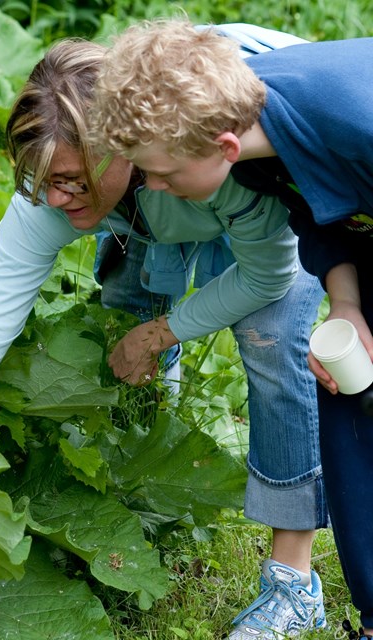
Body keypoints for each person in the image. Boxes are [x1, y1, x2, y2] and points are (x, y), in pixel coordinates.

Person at [0, 29, 328, 639]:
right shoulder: (53, 183)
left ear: (120, 144)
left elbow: (267, 276)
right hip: (152, 190)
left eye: (73, 181)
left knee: (269, 340)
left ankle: (292, 584)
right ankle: (152, 466)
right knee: (121, 300)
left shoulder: (222, 146)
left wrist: (163, 332)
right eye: (41, 180)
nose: (56, 199)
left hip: (249, 160)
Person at [90, 18, 373, 639]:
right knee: (352, 404)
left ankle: (309, 589)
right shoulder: (249, 150)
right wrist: (346, 302)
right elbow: (326, 217)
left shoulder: (352, 121)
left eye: (159, 176)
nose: (152, 189)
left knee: (317, 365)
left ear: (222, 147)